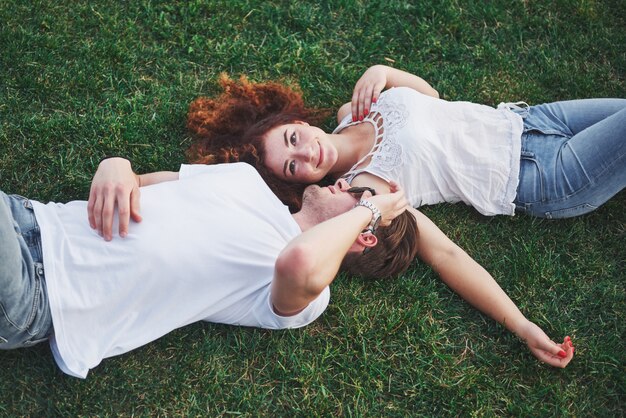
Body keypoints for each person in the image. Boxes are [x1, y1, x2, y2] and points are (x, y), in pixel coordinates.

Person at [0, 158, 415, 378]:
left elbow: (301, 260)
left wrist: (372, 208)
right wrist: (116, 163)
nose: (342, 183)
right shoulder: (244, 178)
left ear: (364, 234)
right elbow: (136, 181)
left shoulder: (310, 293)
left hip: (40, 291)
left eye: (357, 194)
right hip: (32, 216)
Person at [187, 65, 625, 217]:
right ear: (295, 183)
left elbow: (431, 98)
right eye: (292, 165)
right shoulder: (365, 188)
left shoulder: (349, 113)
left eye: (293, 138)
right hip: (541, 178)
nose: (305, 152)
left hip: (531, 120)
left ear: (298, 121)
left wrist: (384, 72)